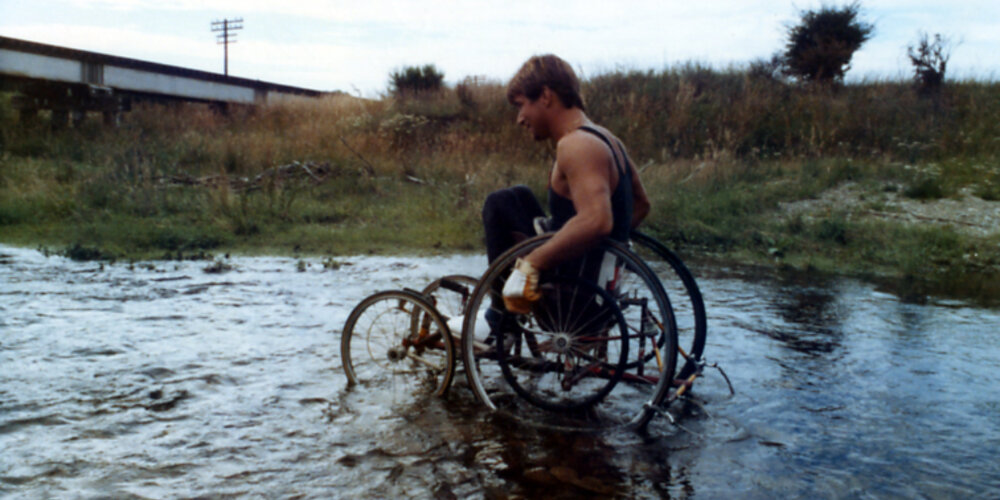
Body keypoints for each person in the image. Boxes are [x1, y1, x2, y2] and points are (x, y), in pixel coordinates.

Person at [482, 54, 651, 314]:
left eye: (521, 105)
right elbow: (640, 205)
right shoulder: (607, 139)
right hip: (598, 290)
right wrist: (604, 255)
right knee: (518, 196)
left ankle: (501, 322)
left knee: (498, 203)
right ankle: (502, 315)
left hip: (571, 296)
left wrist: (533, 262)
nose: (520, 118)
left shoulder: (577, 145)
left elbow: (597, 221)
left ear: (546, 96)